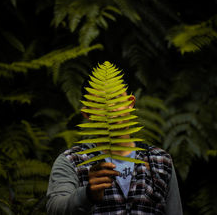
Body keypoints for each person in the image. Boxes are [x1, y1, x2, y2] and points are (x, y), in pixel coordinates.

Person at [46, 90, 183, 214]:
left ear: (130, 103)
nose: (110, 108)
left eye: (116, 99)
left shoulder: (159, 160)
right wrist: (87, 194)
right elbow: (55, 208)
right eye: (100, 103)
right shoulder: (72, 161)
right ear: (88, 114)